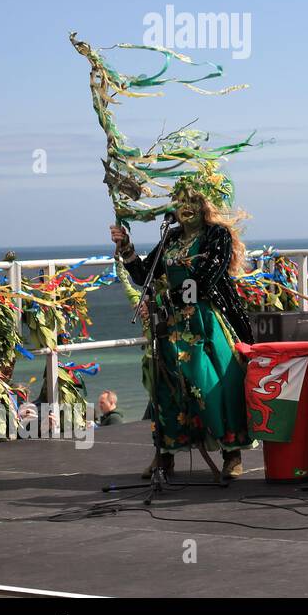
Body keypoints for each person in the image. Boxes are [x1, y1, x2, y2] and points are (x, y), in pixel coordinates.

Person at [109, 166, 255, 479]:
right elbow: (144, 275)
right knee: (166, 387)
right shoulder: (171, 238)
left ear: (205, 205)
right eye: (180, 201)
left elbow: (206, 278)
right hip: (171, 325)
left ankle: (232, 452)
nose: (185, 206)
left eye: (192, 200)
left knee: (211, 383)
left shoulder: (216, 236)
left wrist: (170, 296)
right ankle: (165, 455)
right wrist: (127, 249)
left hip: (204, 320)